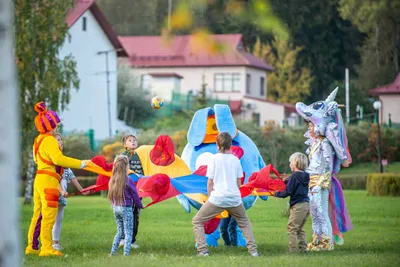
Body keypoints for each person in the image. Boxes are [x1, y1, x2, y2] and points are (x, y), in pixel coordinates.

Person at [25, 102, 88, 257]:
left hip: (39, 179)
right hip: (49, 181)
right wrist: (81, 163)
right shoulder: (50, 140)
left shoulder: (38, 140)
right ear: (50, 125)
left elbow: (36, 159)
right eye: (55, 125)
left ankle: (32, 247)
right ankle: (46, 248)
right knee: (48, 216)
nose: (56, 129)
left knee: (38, 214)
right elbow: (58, 159)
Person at [296, 88, 353, 251]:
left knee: (320, 212)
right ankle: (318, 240)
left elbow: (327, 164)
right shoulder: (315, 144)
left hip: (320, 182)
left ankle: (326, 242)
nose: (309, 129)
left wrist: (321, 180)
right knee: (315, 212)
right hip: (313, 180)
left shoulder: (325, 144)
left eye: (311, 125)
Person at [192, 132, 258, 257]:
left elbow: (210, 182)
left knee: (197, 221)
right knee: (244, 223)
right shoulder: (235, 160)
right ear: (230, 145)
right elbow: (239, 181)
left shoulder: (214, 159)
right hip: (234, 199)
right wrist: (234, 194)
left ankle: (202, 250)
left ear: (217, 144)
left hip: (217, 198)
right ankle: (253, 251)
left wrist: (210, 197)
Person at [52, 133, 88, 251]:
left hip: (62, 197)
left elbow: (72, 177)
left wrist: (82, 190)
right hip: (51, 195)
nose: (61, 142)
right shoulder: (51, 160)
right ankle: (46, 244)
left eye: (61, 140)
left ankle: (55, 243)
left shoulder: (64, 160)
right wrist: (61, 190)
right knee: (49, 219)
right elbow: (52, 179)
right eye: (58, 140)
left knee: (59, 219)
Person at [274, 152, 310, 253]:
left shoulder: (294, 176)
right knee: (300, 228)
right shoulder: (306, 176)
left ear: (295, 164)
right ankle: (303, 249)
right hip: (307, 205)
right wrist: (287, 181)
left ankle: (292, 250)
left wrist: (275, 194)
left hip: (298, 206)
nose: (289, 164)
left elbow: (287, 192)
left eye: (290, 162)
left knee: (292, 228)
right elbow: (296, 185)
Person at [108, 155, 143, 256]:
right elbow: (135, 196)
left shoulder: (112, 180)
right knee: (128, 232)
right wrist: (140, 205)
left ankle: (113, 252)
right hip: (126, 209)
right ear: (126, 167)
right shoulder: (128, 180)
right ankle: (126, 254)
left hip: (116, 208)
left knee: (120, 231)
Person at [119, 134, 143, 249]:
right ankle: (123, 238)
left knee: (135, 214)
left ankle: (132, 240)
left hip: (139, 190)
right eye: (130, 140)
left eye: (134, 140)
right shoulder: (123, 156)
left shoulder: (141, 155)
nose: (133, 142)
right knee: (126, 214)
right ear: (125, 145)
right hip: (126, 189)